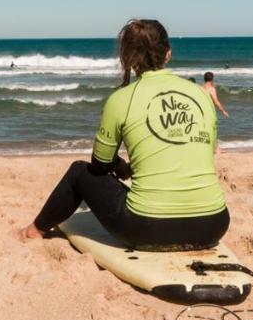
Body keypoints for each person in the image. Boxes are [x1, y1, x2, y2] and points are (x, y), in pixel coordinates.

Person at [20, 20, 230, 250]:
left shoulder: (121, 99)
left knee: (79, 171)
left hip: (147, 229)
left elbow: (98, 165)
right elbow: (205, 152)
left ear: (127, 59)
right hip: (214, 225)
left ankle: (34, 230)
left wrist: (120, 166)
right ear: (168, 54)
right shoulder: (201, 95)